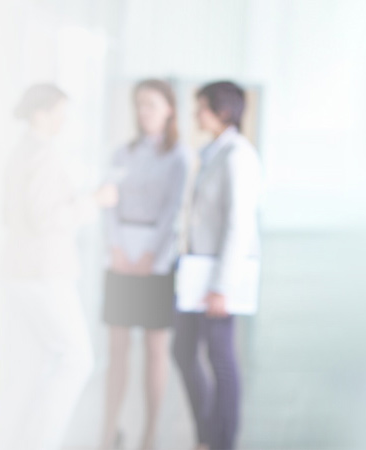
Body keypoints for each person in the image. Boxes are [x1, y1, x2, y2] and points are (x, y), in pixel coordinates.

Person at [1, 83, 118, 450]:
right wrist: (94, 201)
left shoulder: (21, 151)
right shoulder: (43, 155)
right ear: (41, 114)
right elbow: (46, 218)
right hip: (43, 271)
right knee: (77, 360)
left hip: (23, 269)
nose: (65, 121)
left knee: (42, 361)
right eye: (60, 113)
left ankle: (25, 438)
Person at [99, 79, 189, 450]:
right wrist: (117, 248)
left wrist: (150, 254)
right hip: (121, 257)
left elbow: (172, 210)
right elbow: (109, 202)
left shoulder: (178, 156)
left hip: (156, 260)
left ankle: (149, 433)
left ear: (169, 109)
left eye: (151, 104)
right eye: (139, 104)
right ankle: (108, 431)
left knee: (155, 349)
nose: (144, 112)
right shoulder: (123, 153)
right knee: (117, 350)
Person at [173, 81, 262, 450]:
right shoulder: (213, 153)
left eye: (202, 107)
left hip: (217, 277)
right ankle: (207, 436)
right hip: (196, 272)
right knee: (183, 350)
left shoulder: (238, 156)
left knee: (220, 358)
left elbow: (238, 225)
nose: (196, 114)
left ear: (223, 111)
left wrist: (221, 286)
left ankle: (222, 441)